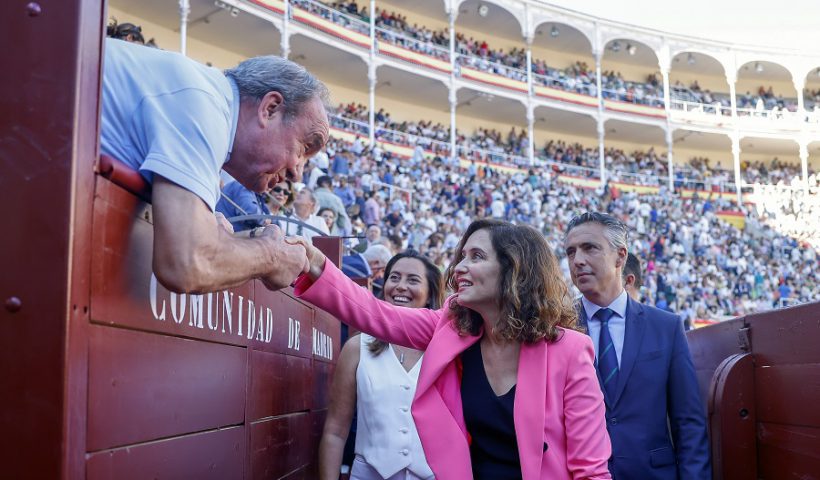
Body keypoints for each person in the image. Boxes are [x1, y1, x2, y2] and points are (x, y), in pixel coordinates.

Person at [291, 219, 612, 479]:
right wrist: (315, 264)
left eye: (476, 257)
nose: (458, 267)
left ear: (513, 271)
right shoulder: (452, 330)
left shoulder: (570, 350)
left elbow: (591, 470)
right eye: (462, 256)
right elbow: (374, 314)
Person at [100, 38, 329, 292]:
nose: (297, 174)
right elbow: (186, 263)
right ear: (270, 108)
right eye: (303, 149)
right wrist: (272, 256)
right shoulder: (202, 104)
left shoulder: (207, 102)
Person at [563, 212, 710, 480]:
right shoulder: (557, 328)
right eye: (571, 252)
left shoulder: (666, 327)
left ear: (620, 256)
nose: (577, 260)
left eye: (589, 248)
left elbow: (688, 422)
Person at [319, 250, 444, 480]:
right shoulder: (357, 348)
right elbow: (335, 431)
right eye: (394, 277)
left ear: (430, 293)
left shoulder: (447, 351)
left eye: (413, 280)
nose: (400, 286)